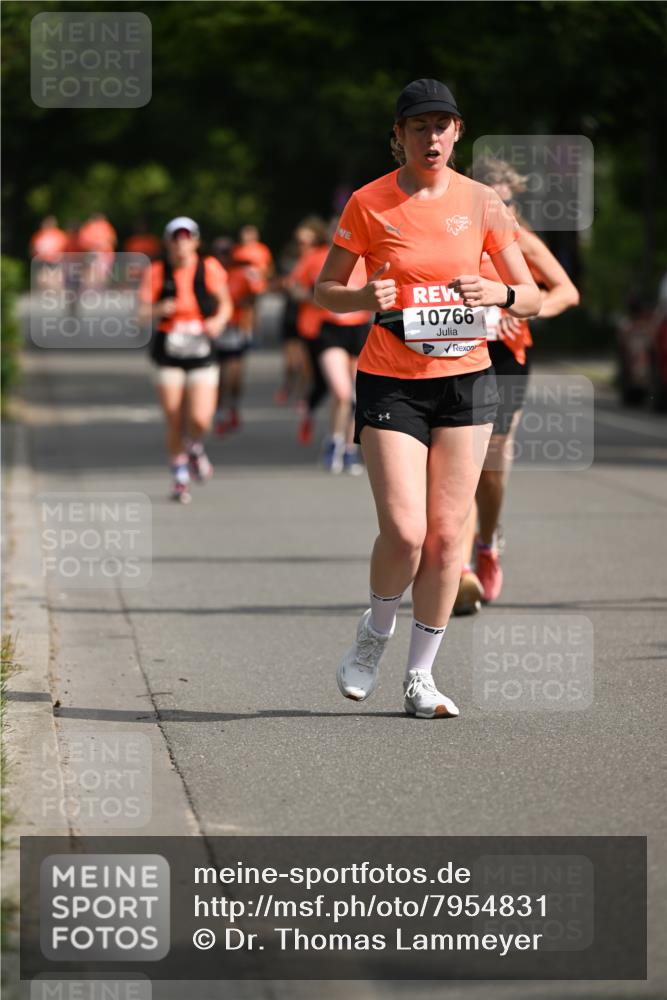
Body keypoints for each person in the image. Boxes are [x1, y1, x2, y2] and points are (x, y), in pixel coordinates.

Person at [315, 79, 541, 718]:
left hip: (467, 381)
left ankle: (422, 677)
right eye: (419, 127)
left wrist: (497, 294)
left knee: (445, 540)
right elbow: (325, 290)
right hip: (391, 379)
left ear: (457, 132)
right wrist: (364, 297)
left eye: (442, 125)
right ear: (400, 136)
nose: (432, 137)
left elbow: (530, 295)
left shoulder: (483, 202)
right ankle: (374, 633)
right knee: (406, 531)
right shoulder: (369, 203)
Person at [454, 157, 580, 613]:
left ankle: (486, 543)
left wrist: (523, 308)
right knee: (463, 460)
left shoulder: (520, 240)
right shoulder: (453, 236)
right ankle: (460, 571)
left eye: (505, 202)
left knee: (491, 460)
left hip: (507, 356)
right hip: (457, 353)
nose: (498, 210)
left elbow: (566, 291)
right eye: (489, 202)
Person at [139, 217, 232, 502]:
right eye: (176, 238)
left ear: (196, 241)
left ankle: (194, 447)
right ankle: (179, 472)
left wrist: (218, 321)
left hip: (201, 347)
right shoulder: (156, 271)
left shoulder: (209, 267)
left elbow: (226, 304)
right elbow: (140, 314)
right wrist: (158, 309)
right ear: (168, 242)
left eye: (187, 237)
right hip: (169, 349)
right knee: (173, 415)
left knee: (200, 419)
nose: (181, 244)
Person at [210, 237, 264, 434]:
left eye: (226, 253)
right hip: (215, 329)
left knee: (234, 376)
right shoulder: (208, 273)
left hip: (236, 328)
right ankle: (219, 411)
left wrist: (245, 301)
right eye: (218, 253)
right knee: (217, 376)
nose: (222, 257)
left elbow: (255, 296)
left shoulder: (241, 274)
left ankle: (233, 406)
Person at [274, 221, 321, 406]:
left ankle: (303, 395)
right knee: (291, 361)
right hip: (291, 313)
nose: (301, 245)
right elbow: (274, 284)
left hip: (309, 316)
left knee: (305, 362)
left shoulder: (320, 259)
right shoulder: (290, 260)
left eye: (305, 241)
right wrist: (283, 285)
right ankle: (288, 383)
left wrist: (304, 294)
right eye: (299, 241)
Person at [29, 215, 67, 289]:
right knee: (42, 280)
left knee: (56, 280)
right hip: (42, 261)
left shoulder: (59, 235)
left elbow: (65, 248)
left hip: (56, 261)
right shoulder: (39, 235)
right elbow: (33, 248)